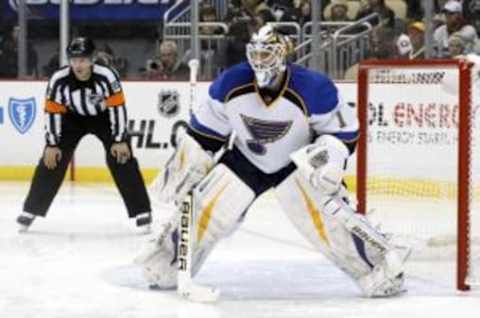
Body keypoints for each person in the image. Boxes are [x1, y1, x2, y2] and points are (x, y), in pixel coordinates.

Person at [136, 25, 410, 297]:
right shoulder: (232, 82)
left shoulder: (312, 87)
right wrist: (188, 166)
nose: (258, 61)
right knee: (206, 209)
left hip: (295, 163)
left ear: (282, 55)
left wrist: (331, 158)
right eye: (254, 54)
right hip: (246, 159)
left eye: (266, 54)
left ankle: (378, 268)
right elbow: (205, 134)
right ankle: (168, 261)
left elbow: (345, 131)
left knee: (326, 222)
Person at [16, 37, 152, 232]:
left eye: (82, 60)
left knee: (122, 157)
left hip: (104, 118)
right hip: (72, 120)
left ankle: (142, 211)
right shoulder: (59, 80)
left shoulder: (107, 76)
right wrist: (52, 144)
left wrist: (120, 139)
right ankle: (31, 210)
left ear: (92, 59)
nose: (77, 65)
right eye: (73, 60)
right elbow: (53, 112)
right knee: (52, 159)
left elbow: (118, 108)